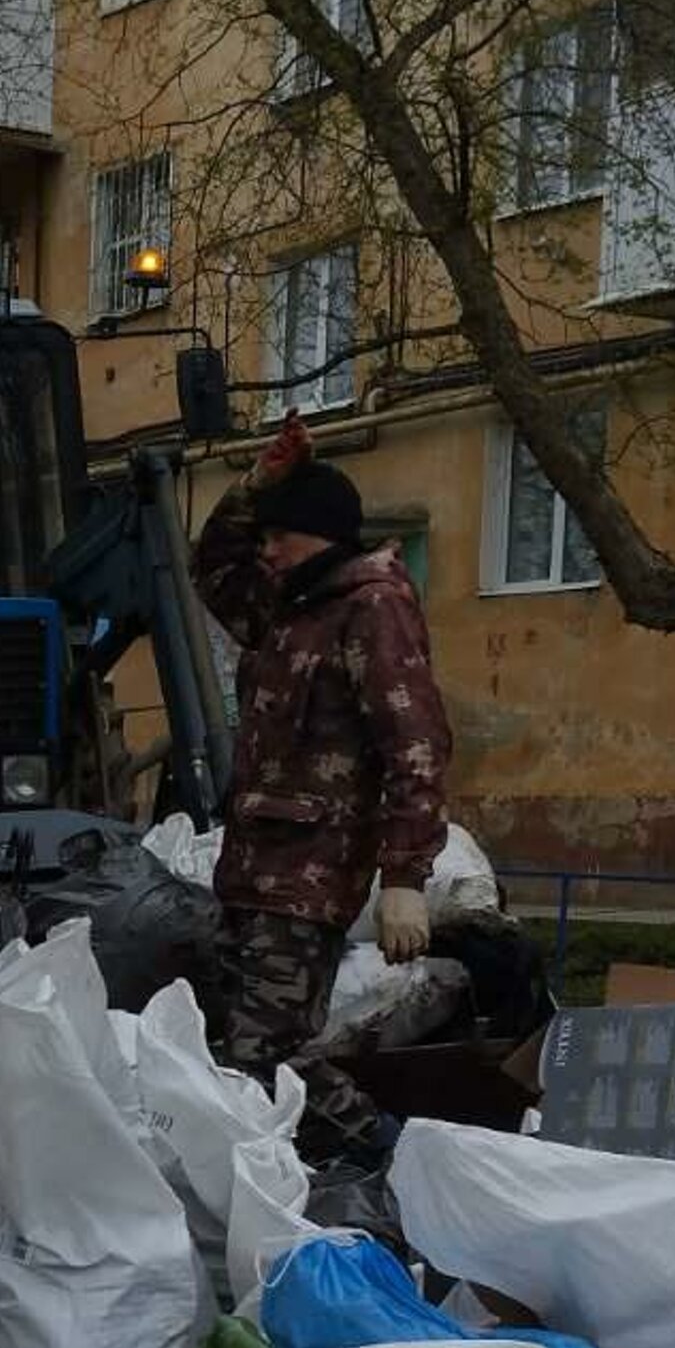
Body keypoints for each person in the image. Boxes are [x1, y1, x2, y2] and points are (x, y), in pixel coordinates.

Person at [193, 412, 452, 1157]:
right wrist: (257, 483)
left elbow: (417, 744)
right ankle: (297, 1181)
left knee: (264, 1053)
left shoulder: (371, 607)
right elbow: (213, 561)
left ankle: (402, 1158)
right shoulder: (286, 606)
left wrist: (405, 876)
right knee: (234, 1051)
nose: (265, 550)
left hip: (311, 874)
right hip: (250, 870)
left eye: (279, 534)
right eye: (265, 534)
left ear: (322, 536)